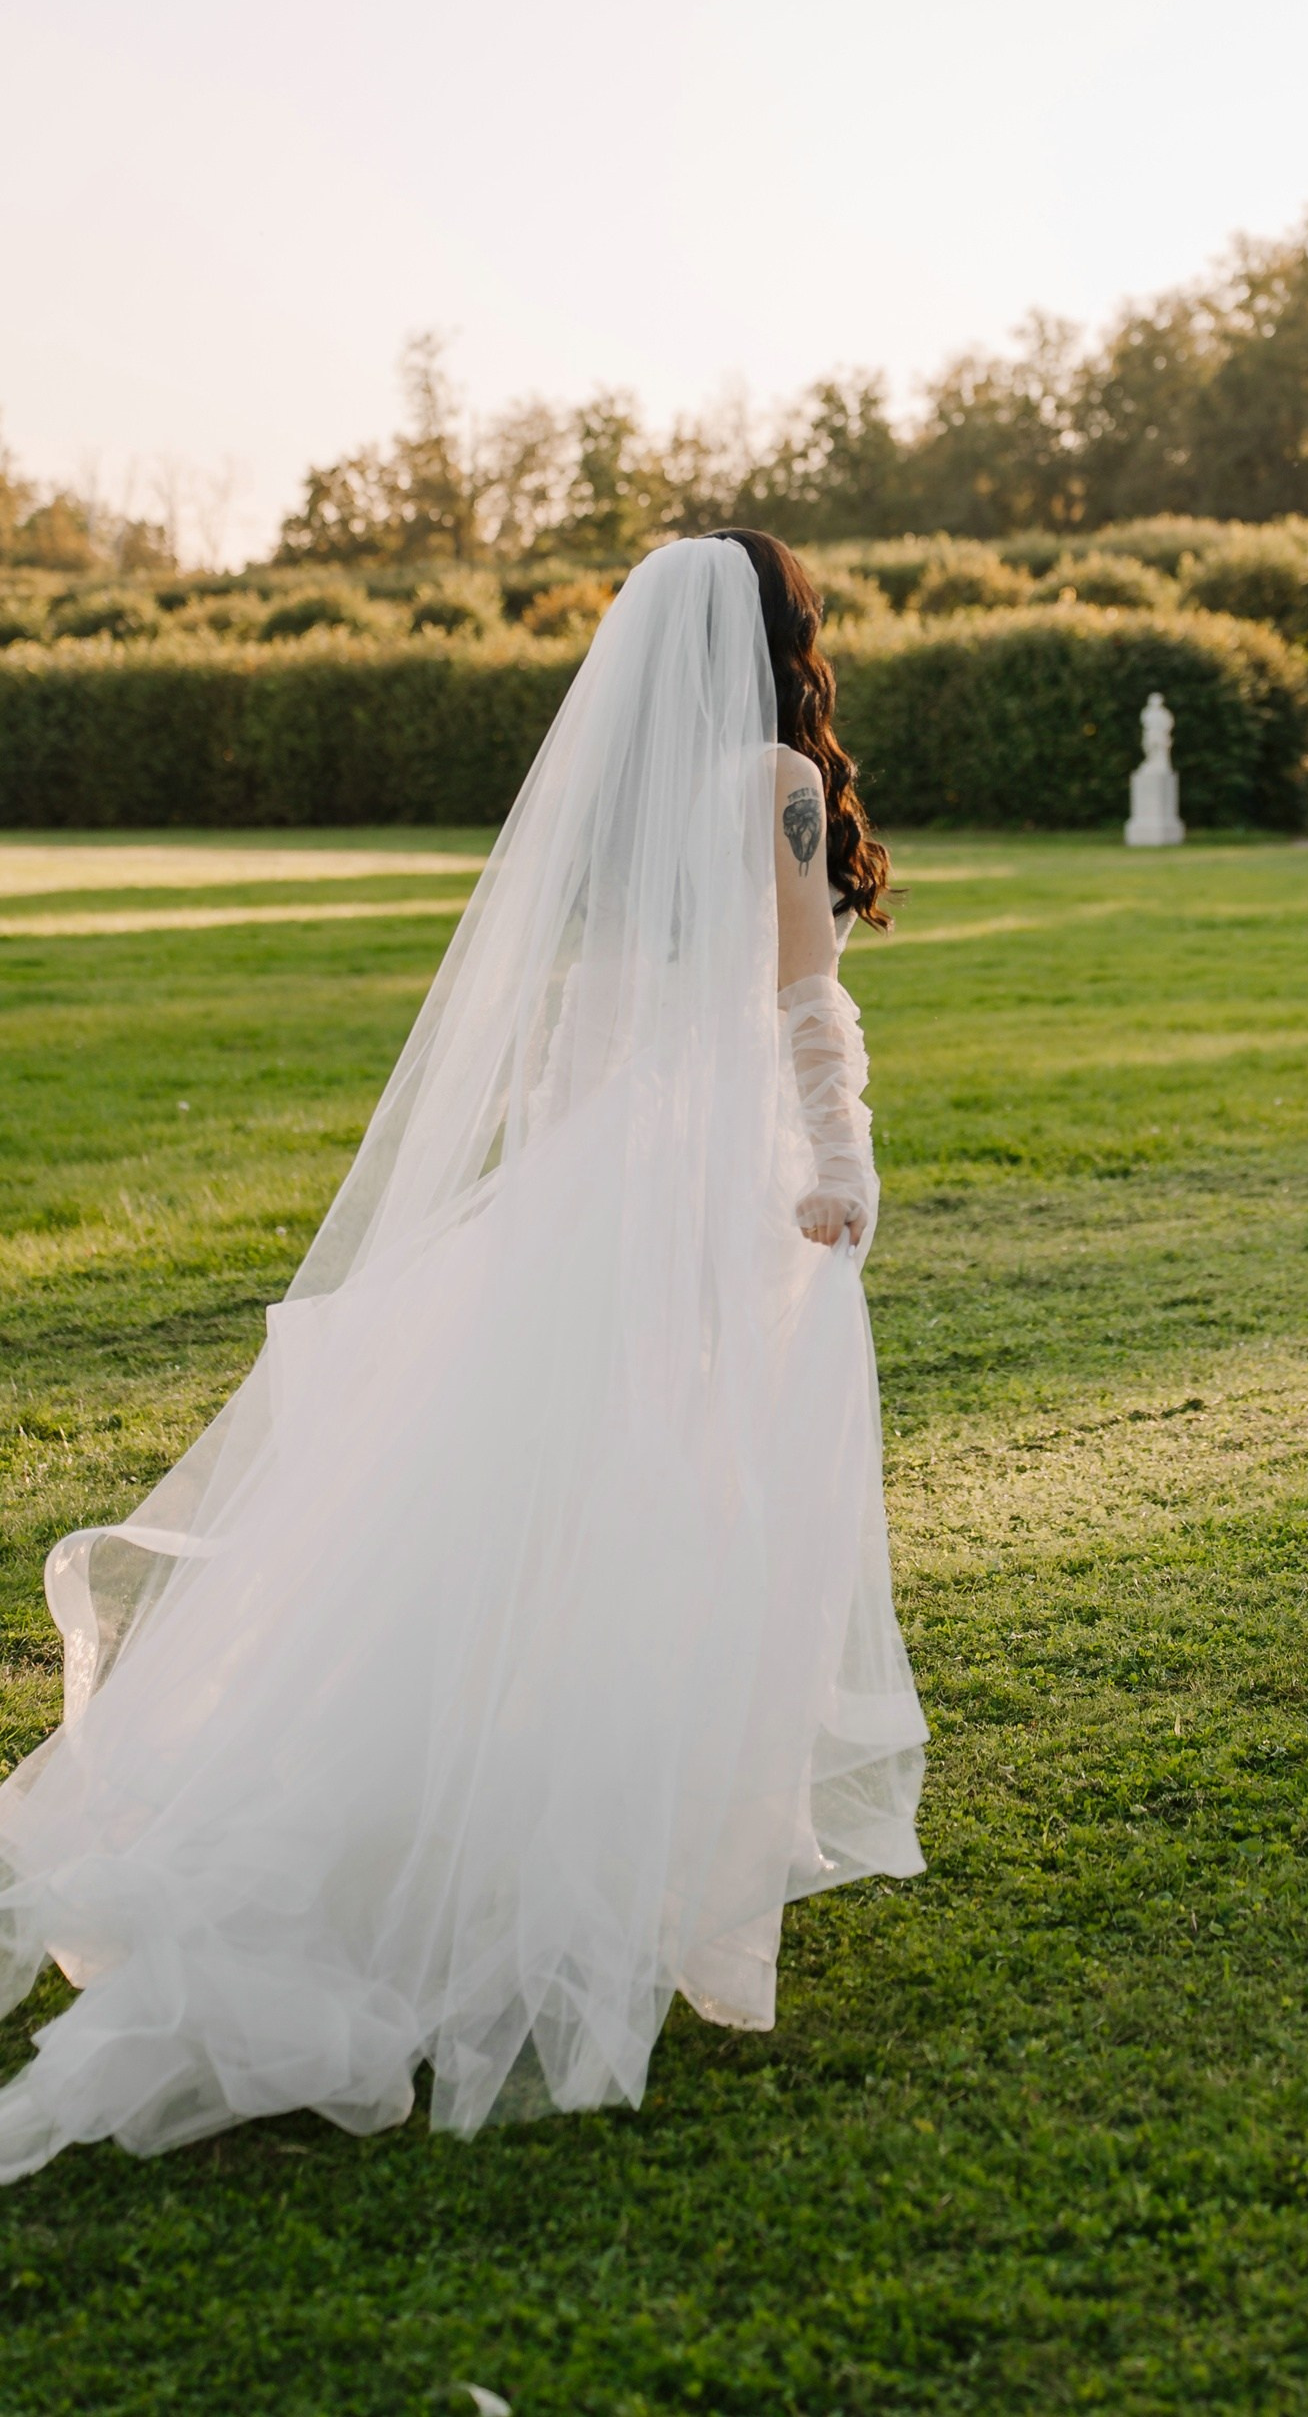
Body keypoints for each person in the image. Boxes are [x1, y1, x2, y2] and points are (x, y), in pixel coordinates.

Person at [0, 534, 925, 2183]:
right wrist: (835, 1161)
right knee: (688, 1504)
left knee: (543, 1511)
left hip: (594, 1186)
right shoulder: (775, 774)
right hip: (719, 1196)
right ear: (782, 635)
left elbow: (576, 1023)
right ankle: (619, 1862)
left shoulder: (624, 798)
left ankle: (528, 1833)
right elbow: (802, 1003)